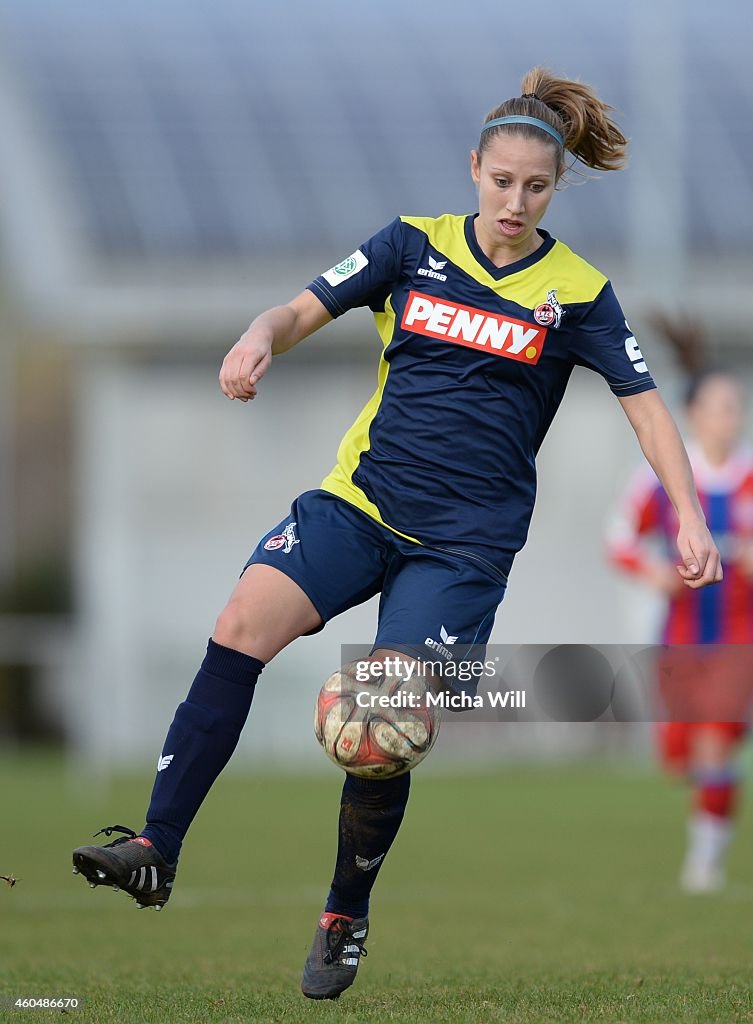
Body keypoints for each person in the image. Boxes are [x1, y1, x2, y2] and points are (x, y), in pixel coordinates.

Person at [71, 67, 722, 999]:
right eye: (500, 181)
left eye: (534, 187)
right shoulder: (410, 244)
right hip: (361, 503)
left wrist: (690, 515)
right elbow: (297, 308)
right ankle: (155, 847)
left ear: (553, 188)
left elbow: (648, 407)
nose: (514, 201)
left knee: (381, 729)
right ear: (474, 169)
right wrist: (259, 340)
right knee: (239, 622)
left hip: (463, 551)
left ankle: (343, 914)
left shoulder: (577, 291)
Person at [608, 322, 752, 892]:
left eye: (737, 407)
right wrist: (654, 573)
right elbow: (618, 539)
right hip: (679, 634)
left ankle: (705, 861)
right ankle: (711, 807)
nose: (731, 417)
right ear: (693, 414)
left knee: (717, 734)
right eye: (721, 407)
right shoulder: (662, 476)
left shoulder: (749, 479)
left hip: (739, 633)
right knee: (681, 754)